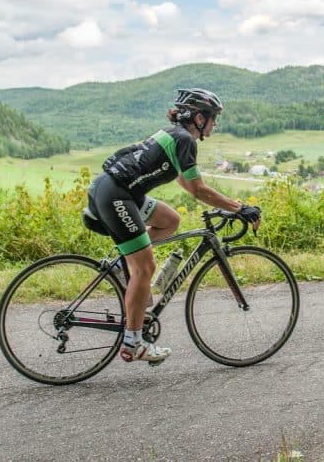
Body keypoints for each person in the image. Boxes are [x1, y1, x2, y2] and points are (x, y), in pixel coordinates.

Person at [86, 88, 261, 362]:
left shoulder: (175, 135)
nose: (215, 124)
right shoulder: (184, 140)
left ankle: (124, 266)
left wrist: (226, 203)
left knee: (170, 220)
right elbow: (198, 190)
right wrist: (240, 208)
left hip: (116, 190)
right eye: (213, 118)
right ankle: (133, 343)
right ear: (199, 118)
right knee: (146, 267)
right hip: (116, 195)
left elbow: (185, 180)